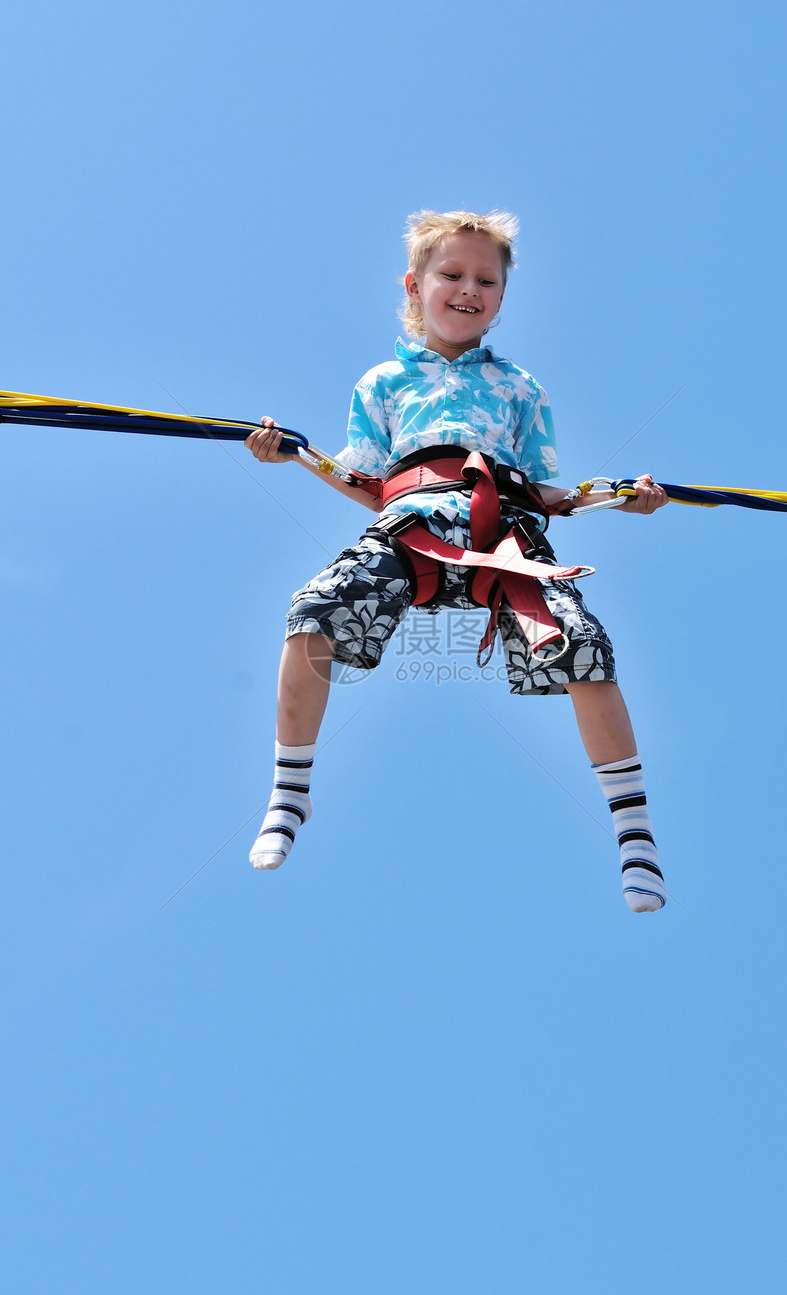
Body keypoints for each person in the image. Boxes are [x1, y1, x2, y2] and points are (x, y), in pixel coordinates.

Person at [244, 210, 668, 912]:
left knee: (583, 647)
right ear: (416, 285)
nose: (468, 289)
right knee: (312, 611)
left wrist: (620, 499)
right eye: (452, 275)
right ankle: (290, 792)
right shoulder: (382, 382)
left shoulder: (521, 387)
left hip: (506, 533)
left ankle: (636, 833)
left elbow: (547, 491)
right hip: (410, 526)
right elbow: (363, 479)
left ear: (501, 297)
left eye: (485, 280)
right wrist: (289, 453)